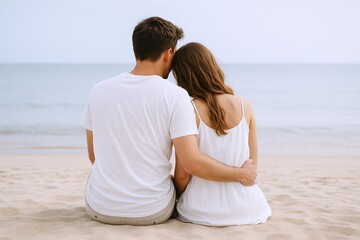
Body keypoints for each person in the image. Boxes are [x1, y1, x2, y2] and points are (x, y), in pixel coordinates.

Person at [83, 17, 257, 226]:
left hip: (100, 208)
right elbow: (191, 162)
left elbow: (94, 156)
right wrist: (242, 174)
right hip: (153, 211)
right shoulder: (176, 96)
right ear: (168, 53)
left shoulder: (98, 91)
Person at [172, 42, 271, 226]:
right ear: (212, 67)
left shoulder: (188, 110)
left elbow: (183, 174)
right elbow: (251, 165)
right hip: (249, 208)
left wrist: (177, 197)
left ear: (183, 77)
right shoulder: (245, 105)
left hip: (200, 210)